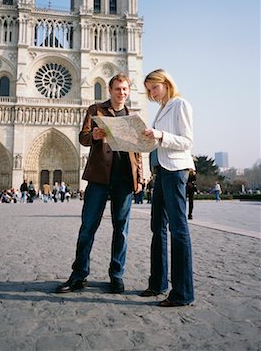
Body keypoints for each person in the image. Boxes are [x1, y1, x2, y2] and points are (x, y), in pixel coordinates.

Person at [55, 73, 143, 294]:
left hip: (124, 179)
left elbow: (138, 152)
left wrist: (140, 177)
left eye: (125, 89)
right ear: (110, 90)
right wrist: (93, 134)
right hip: (99, 178)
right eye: (117, 89)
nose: (121, 93)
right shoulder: (96, 110)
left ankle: (116, 275)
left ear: (128, 91)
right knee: (87, 228)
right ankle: (79, 275)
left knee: (121, 230)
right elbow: (83, 138)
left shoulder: (133, 117)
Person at [140, 68, 195, 307]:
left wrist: (160, 135)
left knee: (178, 229)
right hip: (161, 171)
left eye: (155, 87)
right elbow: (161, 141)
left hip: (174, 170)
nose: (152, 93)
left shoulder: (179, 104)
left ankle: (182, 292)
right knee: (157, 228)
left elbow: (187, 141)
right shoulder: (162, 109)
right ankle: (158, 283)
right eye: (149, 90)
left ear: (166, 83)